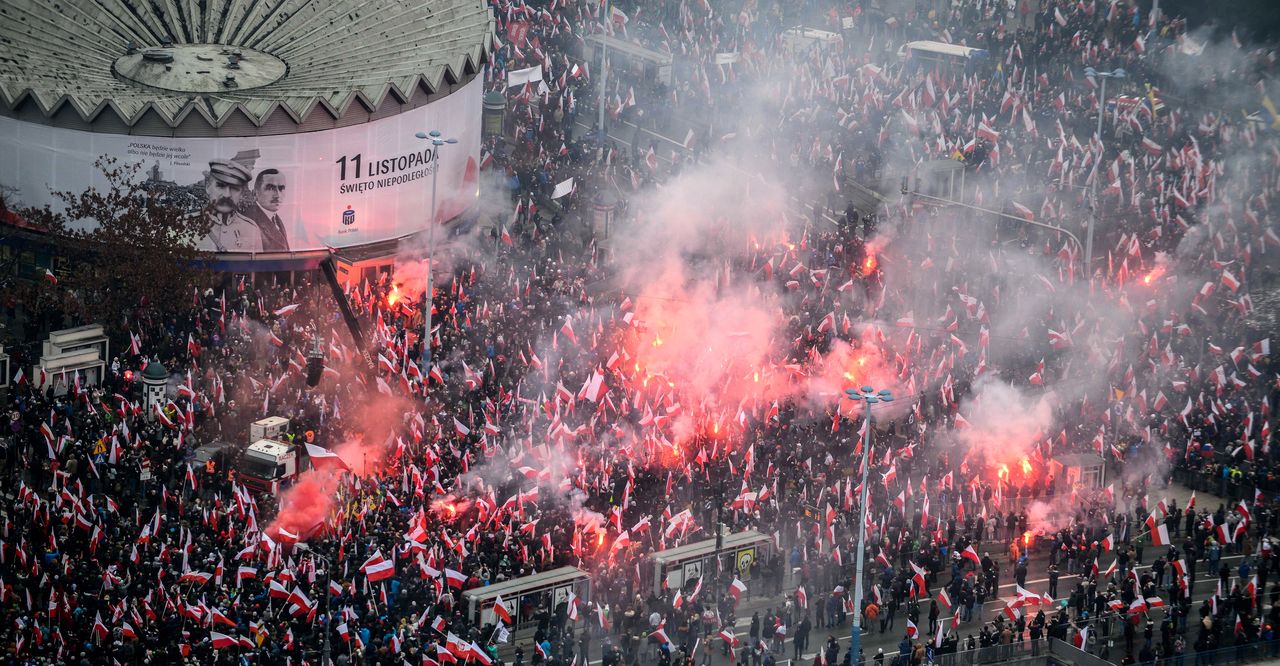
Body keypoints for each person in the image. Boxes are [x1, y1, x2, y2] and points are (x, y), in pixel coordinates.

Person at [197, 158, 262, 252]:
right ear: (207, 187)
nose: (227, 194)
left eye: (235, 188)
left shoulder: (251, 229)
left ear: (241, 193)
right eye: (220, 186)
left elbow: (257, 265)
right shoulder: (183, 225)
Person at [246, 168, 291, 251]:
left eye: (281, 188)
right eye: (270, 188)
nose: (277, 195)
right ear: (255, 193)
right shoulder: (249, 220)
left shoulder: (276, 218)